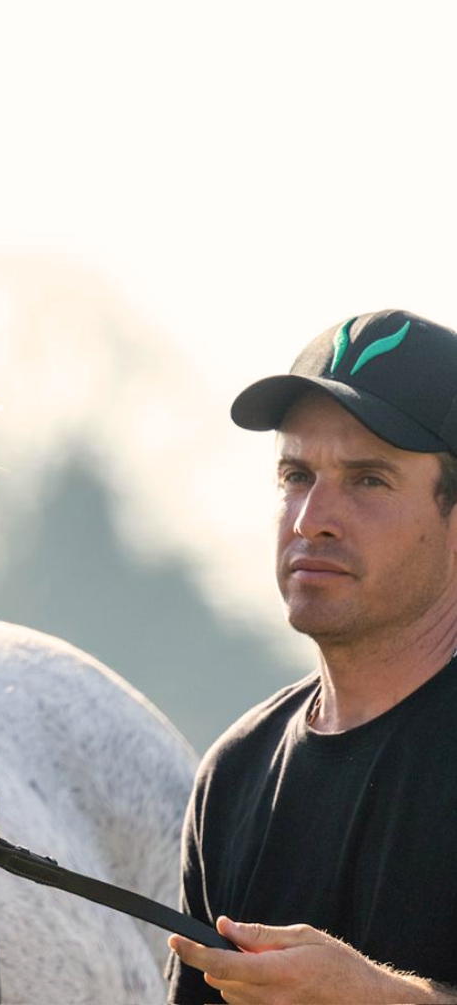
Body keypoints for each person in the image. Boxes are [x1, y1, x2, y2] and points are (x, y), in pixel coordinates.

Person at [166, 309, 457, 1005]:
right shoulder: (234, 774)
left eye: (368, 480)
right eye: (296, 475)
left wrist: (380, 1000)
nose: (311, 518)